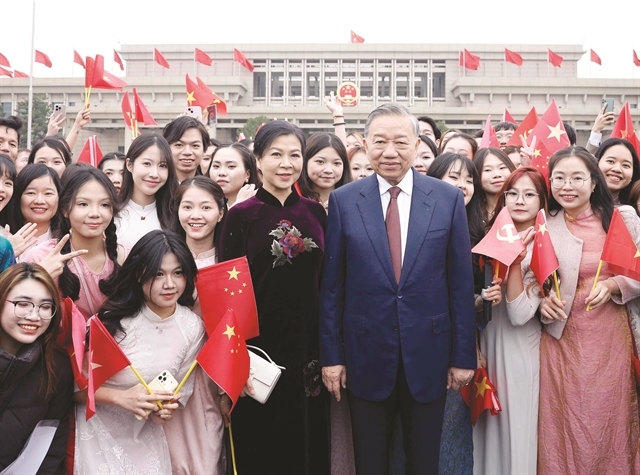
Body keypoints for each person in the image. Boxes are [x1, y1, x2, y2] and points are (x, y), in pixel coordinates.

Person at [320, 104, 476, 474]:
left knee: (423, 461)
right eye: (380, 142)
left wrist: (463, 356)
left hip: (429, 354)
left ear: (417, 145)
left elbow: (460, 284)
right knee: (370, 461)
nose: (390, 151)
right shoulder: (345, 200)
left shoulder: (447, 198)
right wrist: (332, 356)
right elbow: (332, 287)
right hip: (364, 353)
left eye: (400, 142)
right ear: (365, 145)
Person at [220, 120, 329, 474]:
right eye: (276, 155)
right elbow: (226, 299)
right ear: (257, 159)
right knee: (262, 448)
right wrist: (234, 364)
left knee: (308, 444)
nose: (286, 164)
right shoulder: (239, 216)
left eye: (294, 155)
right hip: (258, 353)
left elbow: (328, 282)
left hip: (310, 350)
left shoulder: (315, 212)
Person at [538, 146, 640, 474]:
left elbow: (637, 269)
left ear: (594, 182)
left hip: (609, 339)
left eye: (577, 178)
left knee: (608, 418)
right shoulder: (545, 221)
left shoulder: (621, 217)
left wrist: (613, 286)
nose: (567, 186)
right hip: (559, 342)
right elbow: (530, 276)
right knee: (561, 422)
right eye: (559, 178)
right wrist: (541, 302)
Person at [73, 230, 206, 474]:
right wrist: (120, 398)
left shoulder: (192, 327)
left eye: (178, 273)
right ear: (138, 274)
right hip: (96, 434)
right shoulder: (110, 322)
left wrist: (164, 410)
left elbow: (179, 391)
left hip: (147, 440)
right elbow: (74, 389)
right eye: (158, 274)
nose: (169, 284)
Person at [474, 167, 547, 475]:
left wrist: (515, 263)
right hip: (487, 342)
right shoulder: (490, 236)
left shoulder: (544, 245)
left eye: (529, 194)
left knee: (516, 430)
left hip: (519, 348)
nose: (519, 201)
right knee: (485, 432)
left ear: (542, 201)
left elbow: (519, 314)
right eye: (513, 193)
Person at [169, 176, 228, 474]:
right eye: (187, 206)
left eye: (205, 207)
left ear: (221, 212)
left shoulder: (230, 261)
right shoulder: (165, 257)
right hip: (169, 369)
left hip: (213, 374)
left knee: (207, 457)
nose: (196, 215)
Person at [0, 262, 73, 474]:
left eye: (45, 306)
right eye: (23, 304)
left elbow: (50, 444)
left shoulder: (57, 367)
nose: (34, 316)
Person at [22, 167, 125, 319]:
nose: (95, 213)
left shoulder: (124, 257)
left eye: (105, 205)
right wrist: (41, 277)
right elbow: (22, 309)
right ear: (65, 209)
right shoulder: (40, 257)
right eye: (83, 204)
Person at [116, 134, 177, 251]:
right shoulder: (110, 212)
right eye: (147, 164)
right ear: (129, 165)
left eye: (162, 165)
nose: (154, 174)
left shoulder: (177, 213)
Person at [8, 164, 61, 259]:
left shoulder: (68, 240)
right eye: (31, 193)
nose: (39, 201)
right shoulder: (5, 238)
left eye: (48, 193)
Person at [298, 132, 351, 212]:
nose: (328, 170)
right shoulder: (292, 198)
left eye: (336, 163)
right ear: (305, 162)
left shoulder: (353, 201)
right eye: (320, 162)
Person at [208, 143, 260, 208]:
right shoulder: (199, 201)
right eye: (216, 166)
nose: (221, 173)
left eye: (231, 166)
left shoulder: (260, 206)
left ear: (247, 174)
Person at [163, 116, 211, 183]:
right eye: (179, 145)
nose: (187, 152)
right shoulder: (155, 186)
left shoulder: (210, 188)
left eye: (195, 145)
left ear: (204, 151)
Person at [473, 147, 516, 222]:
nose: (497, 175)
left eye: (502, 168)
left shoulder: (522, 208)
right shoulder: (468, 214)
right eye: (488, 170)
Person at [595, 137, 640, 205]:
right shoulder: (581, 203)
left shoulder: (635, 207)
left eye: (625, 165)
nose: (617, 169)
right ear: (596, 162)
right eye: (611, 161)